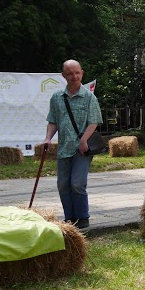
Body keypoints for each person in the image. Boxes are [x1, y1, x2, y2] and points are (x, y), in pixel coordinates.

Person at [43, 60, 102, 230]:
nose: (74, 76)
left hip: (82, 149)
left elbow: (94, 122)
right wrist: (48, 138)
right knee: (63, 184)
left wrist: (84, 140)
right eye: (70, 73)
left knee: (77, 184)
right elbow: (53, 120)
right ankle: (70, 218)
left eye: (77, 73)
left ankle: (83, 218)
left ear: (82, 73)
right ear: (64, 75)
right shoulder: (57, 98)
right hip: (64, 148)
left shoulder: (89, 97)